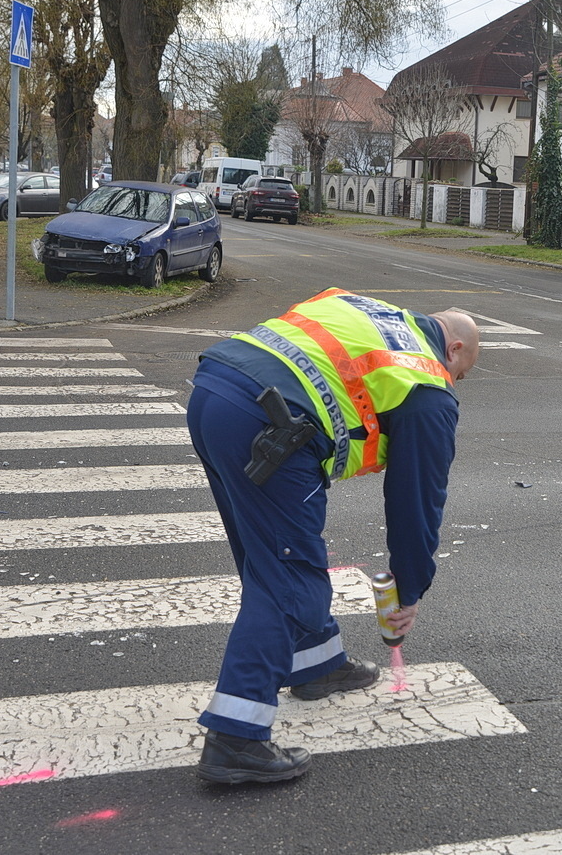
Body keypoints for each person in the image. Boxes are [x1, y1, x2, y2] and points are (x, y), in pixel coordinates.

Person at [187, 289, 480, 784]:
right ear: (452, 351)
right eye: (462, 374)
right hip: (272, 426)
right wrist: (408, 588)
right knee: (287, 577)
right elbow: (418, 499)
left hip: (216, 391)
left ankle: (316, 664)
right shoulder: (426, 381)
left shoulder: (369, 310)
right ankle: (235, 737)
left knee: (268, 553)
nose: (455, 383)